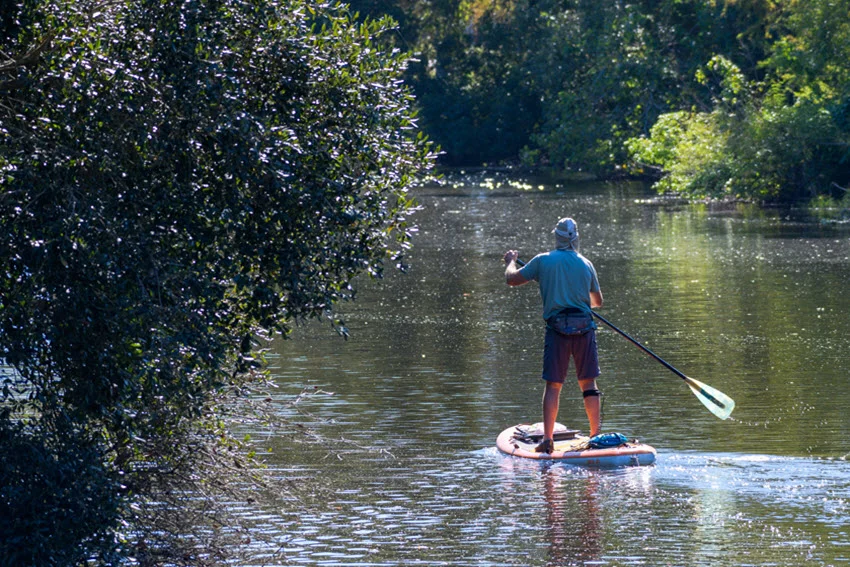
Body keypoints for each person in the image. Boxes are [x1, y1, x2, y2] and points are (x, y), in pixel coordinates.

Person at [504, 217, 604, 453]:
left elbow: (512, 279)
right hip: (584, 328)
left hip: (557, 329)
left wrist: (511, 261)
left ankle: (547, 440)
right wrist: (578, 295)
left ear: (556, 237)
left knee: (554, 385)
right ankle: (595, 437)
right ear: (576, 238)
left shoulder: (542, 261)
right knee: (588, 383)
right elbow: (597, 302)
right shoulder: (586, 263)